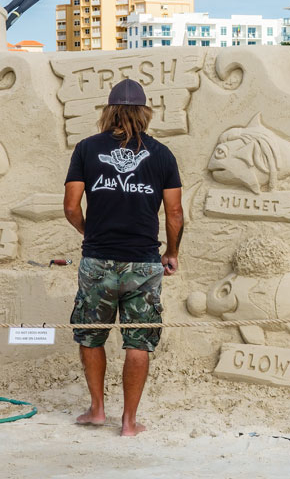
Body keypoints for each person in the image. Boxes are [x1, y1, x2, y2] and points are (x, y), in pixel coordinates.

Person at [63, 78, 184, 436]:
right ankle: (129, 422)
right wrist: (172, 252)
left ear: (108, 112)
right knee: (138, 341)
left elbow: (71, 207)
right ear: (145, 113)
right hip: (145, 262)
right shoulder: (162, 154)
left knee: (91, 336)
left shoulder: (86, 149)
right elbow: (175, 213)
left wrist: (91, 233)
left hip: (98, 260)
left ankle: (98, 410)